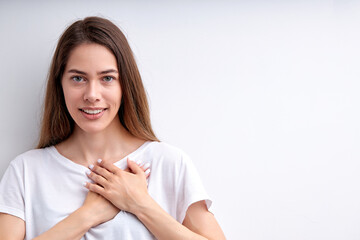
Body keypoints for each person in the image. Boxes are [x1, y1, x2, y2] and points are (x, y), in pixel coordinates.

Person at [0, 16, 225, 240]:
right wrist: (87, 215)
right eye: (78, 78)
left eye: (107, 78)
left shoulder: (169, 163)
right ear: (60, 84)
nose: (92, 95)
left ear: (125, 84)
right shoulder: (25, 171)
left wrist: (141, 205)